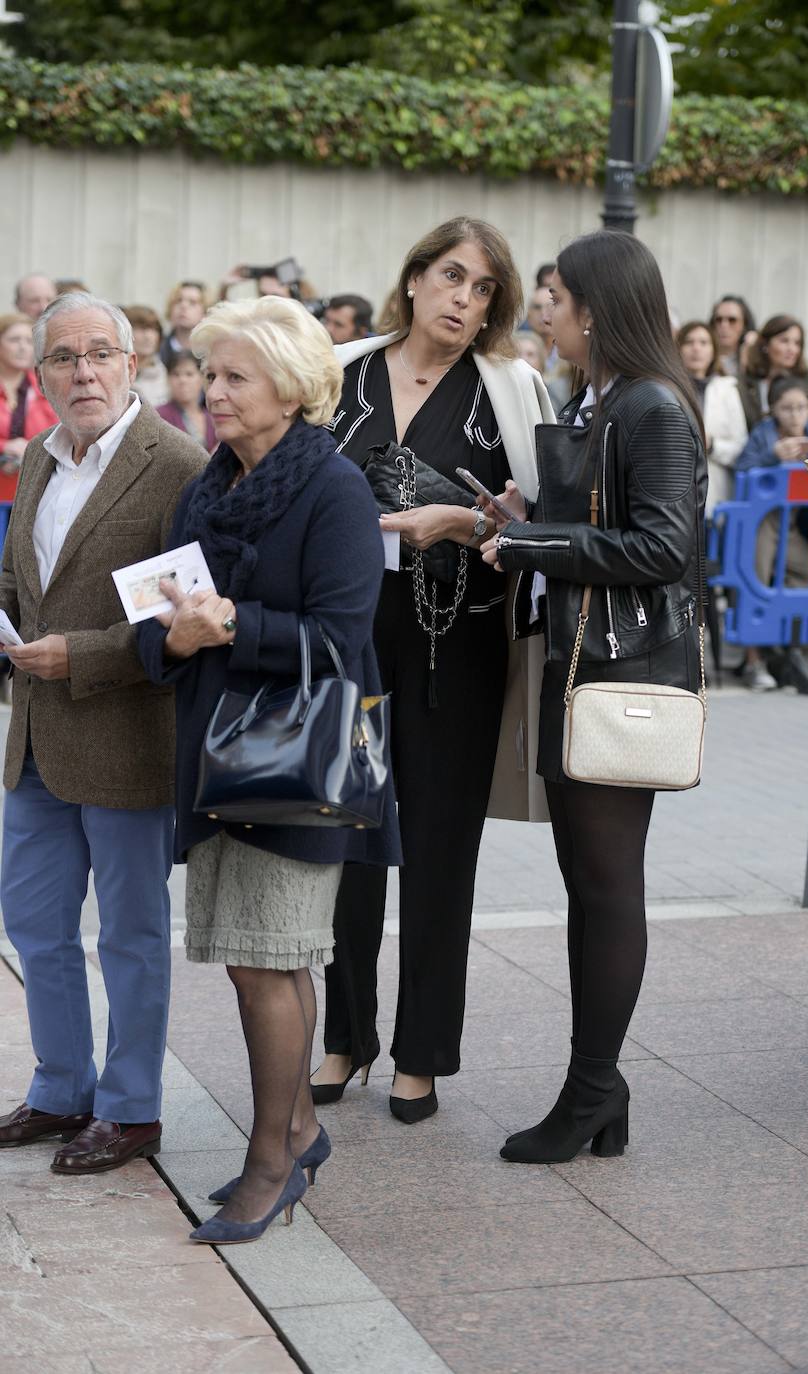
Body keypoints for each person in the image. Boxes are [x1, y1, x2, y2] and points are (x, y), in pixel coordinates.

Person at [136, 295, 399, 1243]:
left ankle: (272, 1162)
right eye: (211, 375)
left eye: (233, 377)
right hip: (218, 759)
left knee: (266, 964)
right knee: (265, 964)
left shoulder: (334, 491)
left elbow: (341, 638)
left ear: (290, 390)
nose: (212, 393)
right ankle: (298, 1127)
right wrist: (168, 639)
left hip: (300, 763)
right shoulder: (207, 488)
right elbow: (156, 629)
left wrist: (231, 625)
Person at [310, 216, 553, 1123]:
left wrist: (472, 524)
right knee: (344, 844)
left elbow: (537, 527)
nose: (465, 299)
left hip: (461, 644)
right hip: (348, 637)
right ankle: (345, 1038)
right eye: (452, 276)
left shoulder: (512, 389)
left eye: (484, 288)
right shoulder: (339, 373)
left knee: (442, 850)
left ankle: (422, 1055)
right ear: (414, 279)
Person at [478, 229, 706, 1163]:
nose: (543, 309)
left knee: (608, 890)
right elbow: (603, 529)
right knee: (590, 887)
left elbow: (663, 549)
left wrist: (532, 545)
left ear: (597, 309)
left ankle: (592, 1090)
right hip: (581, 666)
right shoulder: (593, 399)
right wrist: (523, 522)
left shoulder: (651, 406)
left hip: (626, 673)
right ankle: (595, 1091)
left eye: (555, 295)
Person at [0, 291, 204, 1171]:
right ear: (40, 373)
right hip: (37, 736)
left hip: (125, 736)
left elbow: (184, 620)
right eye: (63, 358)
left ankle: (130, 1107)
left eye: (99, 355)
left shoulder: (178, 464)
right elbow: (25, 586)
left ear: (132, 363)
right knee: (36, 924)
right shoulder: (43, 457)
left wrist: (75, 654)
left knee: (128, 933)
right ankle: (59, 1088)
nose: (81, 372)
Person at [735, 375, 808, 691]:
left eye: (801, 407)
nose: (795, 415)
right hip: (763, 522)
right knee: (753, 579)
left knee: (804, 575)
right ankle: (754, 659)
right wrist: (774, 455)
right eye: (787, 408)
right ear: (773, 410)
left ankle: (792, 655)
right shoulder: (764, 434)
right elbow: (742, 468)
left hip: (797, 525)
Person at [677, 319, 747, 510]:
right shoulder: (668, 387)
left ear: (713, 350)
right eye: (689, 342)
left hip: (715, 492)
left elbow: (740, 447)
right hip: (674, 488)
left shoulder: (727, 389)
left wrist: (712, 445)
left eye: (703, 342)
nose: (696, 348)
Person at [0, 312, 57, 503]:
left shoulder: (46, 388)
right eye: (14, 340)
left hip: (33, 494)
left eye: (29, 341)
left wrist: (30, 449)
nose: (23, 347)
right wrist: (4, 446)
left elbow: (59, 434)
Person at [738, 313, 808, 429]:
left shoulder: (807, 383)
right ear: (765, 344)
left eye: (797, 343)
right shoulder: (745, 383)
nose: (792, 349)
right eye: (784, 341)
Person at [157, 349, 217, 450]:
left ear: (202, 378)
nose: (182, 380)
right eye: (176, 374)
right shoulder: (159, 416)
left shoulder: (213, 417)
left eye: (189, 374)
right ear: (168, 379)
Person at [124, 305, 169, 408]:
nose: (148, 336)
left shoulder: (166, 376)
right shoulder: (115, 372)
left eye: (154, 330)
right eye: (141, 329)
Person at [160, 280, 209, 363]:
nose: (183, 306)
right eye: (178, 300)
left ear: (205, 311)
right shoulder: (157, 351)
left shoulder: (213, 351)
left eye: (192, 302)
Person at [710, 295, 756, 377]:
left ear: (745, 325)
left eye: (732, 320)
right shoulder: (703, 358)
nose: (724, 325)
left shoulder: (752, 354)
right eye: (718, 319)